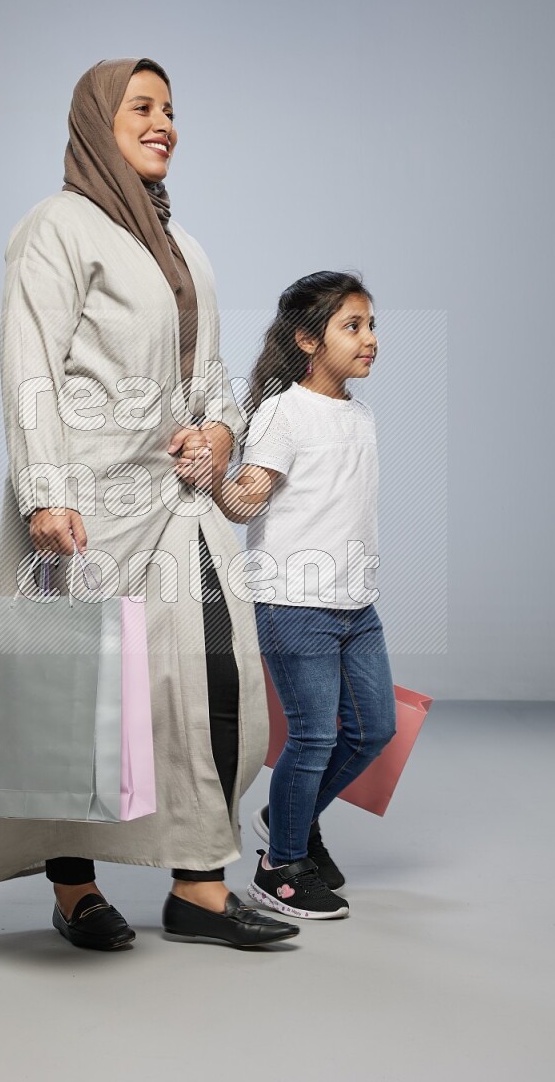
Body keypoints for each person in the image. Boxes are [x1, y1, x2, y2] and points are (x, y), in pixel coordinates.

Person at [0, 57, 298, 950]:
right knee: (79, 696)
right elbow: (29, 365)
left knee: (214, 685)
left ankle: (197, 888)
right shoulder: (56, 229)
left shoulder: (184, 248)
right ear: (97, 122)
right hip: (88, 504)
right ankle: (75, 890)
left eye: (172, 109)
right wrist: (46, 494)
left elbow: (212, 377)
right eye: (142, 107)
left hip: (183, 502)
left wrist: (221, 437)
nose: (164, 122)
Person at [208, 272, 397, 920]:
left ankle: (286, 816)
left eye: (371, 324)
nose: (369, 338)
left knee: (375, 730)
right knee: (314, 737)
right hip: (294, 603)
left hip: (355, 604)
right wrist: (213, 479)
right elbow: (245, 500)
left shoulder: (360, 414)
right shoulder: (284, 412)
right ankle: (279, 867)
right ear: (307, 340)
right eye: (353, 326)